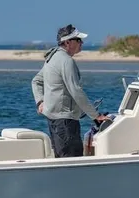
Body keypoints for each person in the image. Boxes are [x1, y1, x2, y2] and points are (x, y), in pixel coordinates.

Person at [31, 24, 109, 157]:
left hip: (54, 120)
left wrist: (40, 101)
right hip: (66, 122)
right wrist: (96, 116)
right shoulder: (66, 61)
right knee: (71, 161)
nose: (81, 43)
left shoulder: (52, 57)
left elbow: (36, 81)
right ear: (67, 42)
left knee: (61, 159)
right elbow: (76, 92)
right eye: (78, 40)